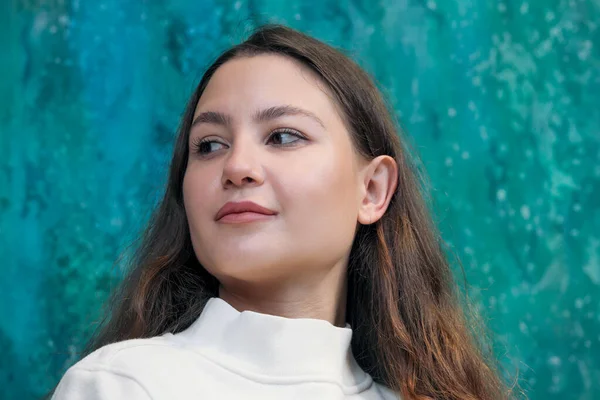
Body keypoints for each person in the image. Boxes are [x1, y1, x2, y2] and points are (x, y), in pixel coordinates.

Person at [49, 23, 513, 400]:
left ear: (371, 189)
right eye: (209, 145)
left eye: (283, 136)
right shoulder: (120, 386)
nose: (237, 167)